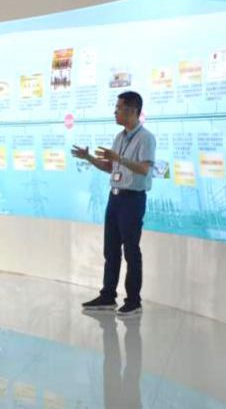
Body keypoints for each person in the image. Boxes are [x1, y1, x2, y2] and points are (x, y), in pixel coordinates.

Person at [74, 91, 156, 317]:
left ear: (133, 111)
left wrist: (119, 158)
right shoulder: (120, 137)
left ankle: (133, 301)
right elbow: (111, 168)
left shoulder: (146, 138)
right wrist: (89, 158)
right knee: (111, 250)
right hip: (115, 198)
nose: (115, 112)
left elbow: (144, 169)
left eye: (119, 108)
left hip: (132, 199)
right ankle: (108, 296)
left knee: (131, 251)